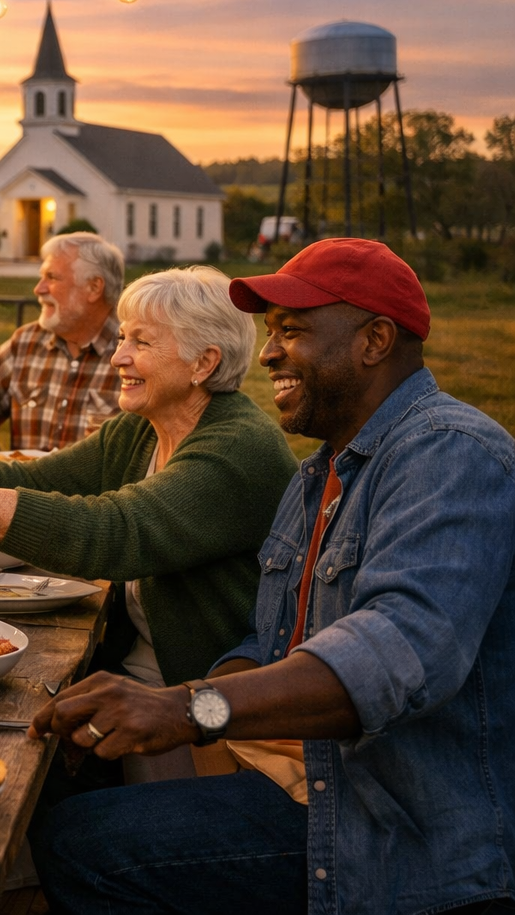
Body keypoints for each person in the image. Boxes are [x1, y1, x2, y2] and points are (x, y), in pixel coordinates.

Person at [27, 239, 515, 915]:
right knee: (65, 789)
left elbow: (393, 653)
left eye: (294, 331)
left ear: (375, 340)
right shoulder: (320, 473)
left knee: (80, 843)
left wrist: (188, 708)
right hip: (304, 779)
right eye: (272, 331)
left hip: (393, 826)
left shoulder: (450, 454)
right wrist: (182, 706)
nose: (267, 353)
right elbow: (273, 635)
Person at [0, 266, 296, 702]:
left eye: (141, 343)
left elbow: (109, 534)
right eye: (121, 338)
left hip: (202, 703)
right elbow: (38, 477)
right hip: (136, 679)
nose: (117, 357)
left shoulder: (237, 448)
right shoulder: (146, 426)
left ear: (204, 363)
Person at [0, 232, 123, 451]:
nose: (38, 289)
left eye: (52, 277)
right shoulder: (25, 342)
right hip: (18, 485)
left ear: (94, 288)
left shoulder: (133, 355)